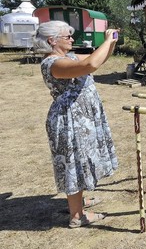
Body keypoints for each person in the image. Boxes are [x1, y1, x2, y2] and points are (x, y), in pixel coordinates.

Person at [33, 21, 119, 228]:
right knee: (74, 163)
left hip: (81, 119)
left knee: (82, 161)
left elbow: (97, 60)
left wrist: (112, 42)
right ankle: (77, 215)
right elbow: (89, 66)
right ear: (52, 41)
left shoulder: (67, 57)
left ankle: (78, 201)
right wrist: (107, 40)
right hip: (69, 120)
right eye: (67, 36)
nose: (72, 39)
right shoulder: (53, 64)